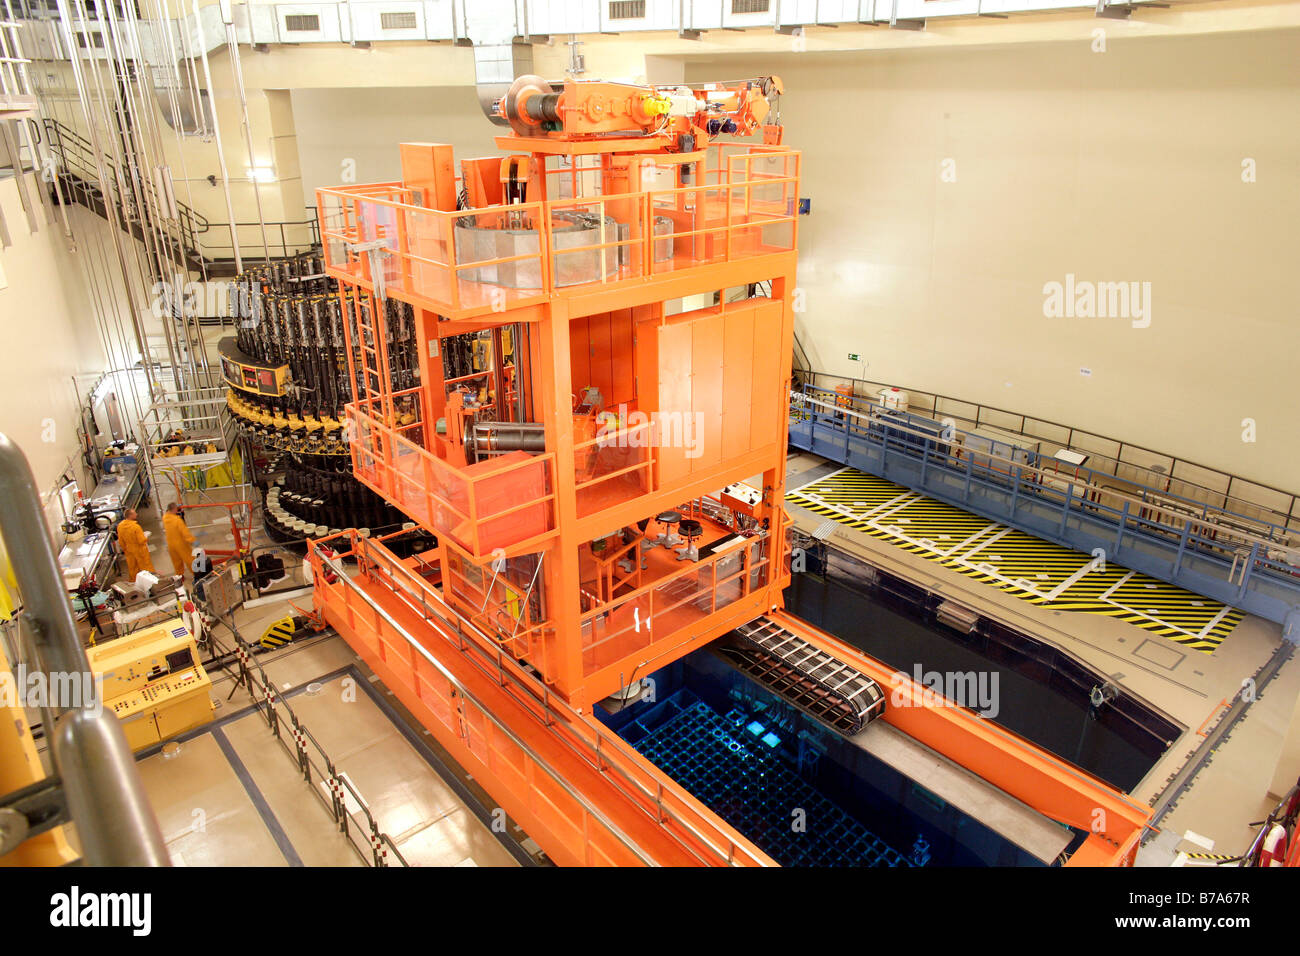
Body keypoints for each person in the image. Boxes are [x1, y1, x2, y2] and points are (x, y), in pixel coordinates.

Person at [116, 508, 155, 582]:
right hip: (140, 550)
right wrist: (145, 536)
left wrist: (126, 549)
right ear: (130, 515)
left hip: (129, 550)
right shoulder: (136, 527)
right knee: (145, 567)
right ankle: (149, 584)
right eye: (134, 513)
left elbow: (121, 541)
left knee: (133, 569)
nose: (136, 514)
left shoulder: (120, 526)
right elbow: (141, 540)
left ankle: (134, 583)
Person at [163, 503, 196, 579]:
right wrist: (192, 540)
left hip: (171, 544)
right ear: (174, 509)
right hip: (181, 544)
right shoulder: (177, 520)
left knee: (176, 562)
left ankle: (180, 576)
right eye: (176, 509)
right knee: (189, 559)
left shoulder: (165, 518)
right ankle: (196, 574)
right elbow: (185, 532)